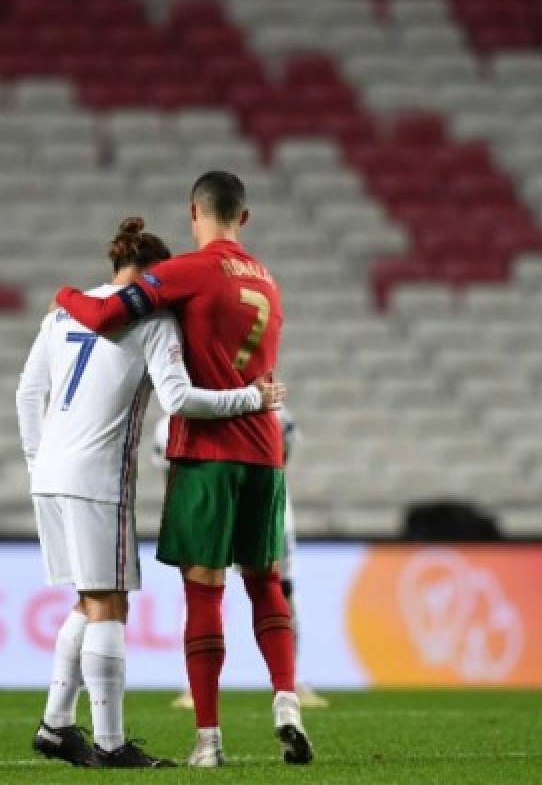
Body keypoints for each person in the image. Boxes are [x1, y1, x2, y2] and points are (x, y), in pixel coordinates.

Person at [55, 172, 314, 767]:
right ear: (243, 219)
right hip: (266, 452)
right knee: (266, 581)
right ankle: (285, 701)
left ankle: (208, 741)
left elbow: (103, 315)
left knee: (205, 591)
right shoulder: (269, 282)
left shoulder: (191, 271)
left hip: (208, 453)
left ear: (194, 211)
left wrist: (65, 294)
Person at [153, 406, 329, 710]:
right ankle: (194, 686)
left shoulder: (275, 412)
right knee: (206, 594)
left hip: (261, 503)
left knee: (277, 588)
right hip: (209, 505)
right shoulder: (178, 415)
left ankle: (290, 681)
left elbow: (280, 460)